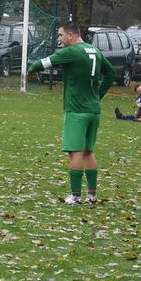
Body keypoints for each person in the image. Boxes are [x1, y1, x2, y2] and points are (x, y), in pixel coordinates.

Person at [25, 19, 116, 205]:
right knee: (88, 152)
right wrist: (97, 95)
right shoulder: (95, 50)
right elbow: (111, 73)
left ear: (71, 35)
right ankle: (92, 195)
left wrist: (31, 72)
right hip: (94, 111)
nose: (59, 39)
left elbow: (40, 64)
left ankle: (75, 197)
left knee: (75, 153)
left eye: (60, 35)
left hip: (76, 111)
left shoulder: (71, 52)